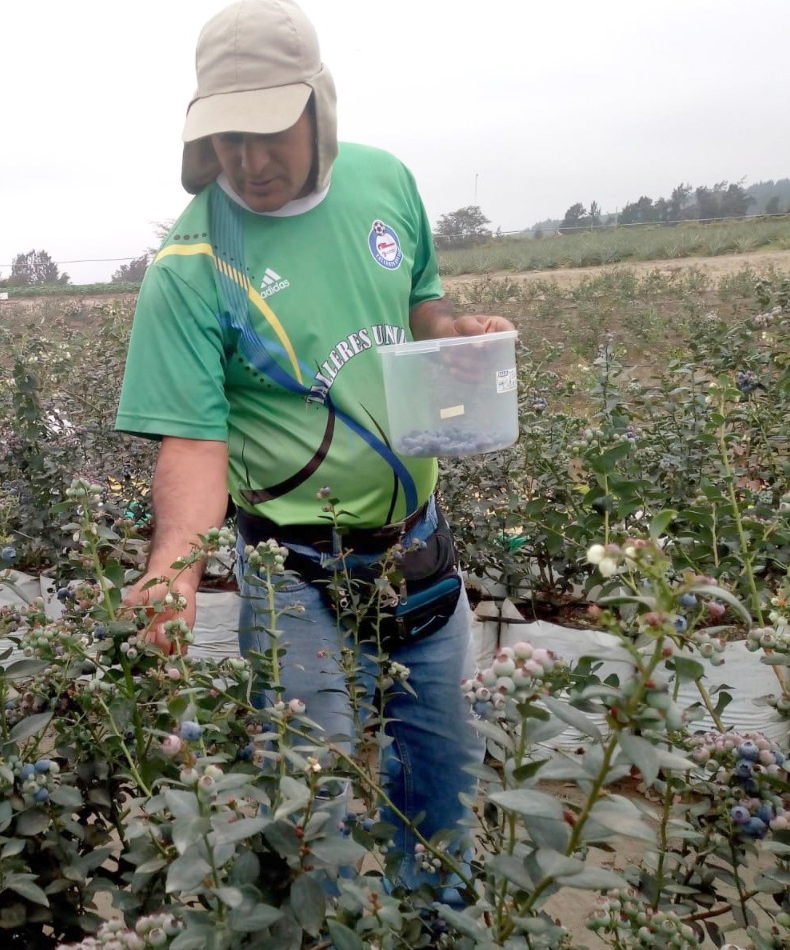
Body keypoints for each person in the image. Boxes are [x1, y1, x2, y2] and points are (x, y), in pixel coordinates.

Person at [115, 0, 514, 896]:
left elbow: (418, 303)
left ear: (317, 108)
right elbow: (192, 441)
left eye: (268, 133)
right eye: (227, 142)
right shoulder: (192, 264)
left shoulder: (385, 183)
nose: (250, 163)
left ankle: (436, 934)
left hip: (418, 549)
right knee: (309, 815)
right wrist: (174, 567)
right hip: (292, 574)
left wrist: (457, 328)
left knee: (442, 794)